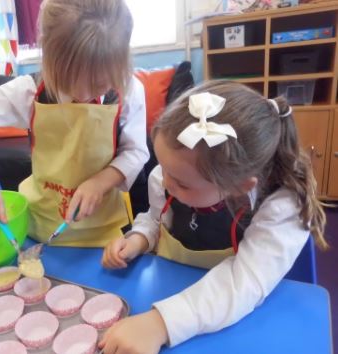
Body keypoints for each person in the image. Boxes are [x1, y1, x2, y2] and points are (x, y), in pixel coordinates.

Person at [100, 80, 328, 353]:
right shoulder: (169, 176)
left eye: (183, 184)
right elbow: (156, 218)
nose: (164, 181)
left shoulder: (281, 206)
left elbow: (243, 282)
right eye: (163, 167)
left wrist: (161, 323)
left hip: (232, 320)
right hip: (170, 286)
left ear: (239, 186)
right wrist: (140, 238)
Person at [0, 0, 149, 246]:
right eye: (69, 81)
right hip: (39, 225)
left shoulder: (130, 91)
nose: (82, 94)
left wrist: (100, 182)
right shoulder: (28, 92)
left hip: (103, 233)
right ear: (48, 58)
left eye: (98, 84)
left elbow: (135, 151)